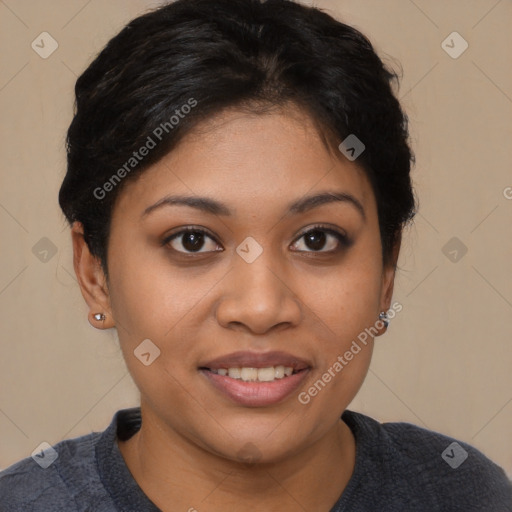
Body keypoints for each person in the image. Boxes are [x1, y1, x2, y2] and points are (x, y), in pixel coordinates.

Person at [1, 0, 510, 510]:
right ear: (94, 273)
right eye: (192, 240)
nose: (261, 308)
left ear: (386, 273)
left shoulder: (465, 493)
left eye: (317, 239)